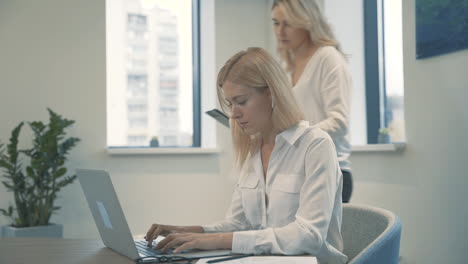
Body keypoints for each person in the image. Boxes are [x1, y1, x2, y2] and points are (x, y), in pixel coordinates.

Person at [145, 47, 347, 264]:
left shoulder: (315, 146)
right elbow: (239, 225)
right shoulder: (253, 150)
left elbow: (308, 237)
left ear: (271, 93)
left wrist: (218, 240)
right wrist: (192, 232)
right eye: (230, 104)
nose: (234, 114)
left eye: (241, 102)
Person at [271, 0, 353, 202]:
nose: (280, 31)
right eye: (275, 23)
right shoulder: (287, 66)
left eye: (288, 23)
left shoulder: (328, 58)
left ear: (307, 22)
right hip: (298, 172)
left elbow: (339, 122)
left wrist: (294, 136)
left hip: (329, 169)